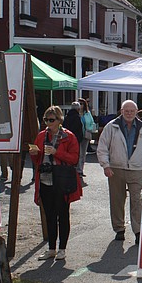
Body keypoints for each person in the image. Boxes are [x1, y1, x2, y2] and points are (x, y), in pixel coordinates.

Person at [97, 100, 142, 245]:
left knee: (137, 200)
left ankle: (138, 231)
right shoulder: (111, 127)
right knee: (117, 200)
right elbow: (102, 147)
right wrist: (106, 165)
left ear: (136, 112)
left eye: (132, 111)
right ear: (121, 111)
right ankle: (119, 229)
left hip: (136, 169)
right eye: (126, 111)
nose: (129, 113)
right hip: (116, 168)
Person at [29, 106, 82, 260]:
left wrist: (56, 152)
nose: (48, 123)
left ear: (59, 120)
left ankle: (62, 249)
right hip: (45, 180)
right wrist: (34, 154)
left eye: (51, 120)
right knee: (50, 217)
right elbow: (38, 159)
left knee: (63, 215)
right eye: (46, 120)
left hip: (62, 181)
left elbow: (74, 159)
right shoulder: (41, 136)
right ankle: (51, 248)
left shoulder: (68, 136)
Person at [63, 102, 84, 176]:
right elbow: (78, 129)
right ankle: (77, 170)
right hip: (76, 139)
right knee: (77, 155)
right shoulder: (77, 117)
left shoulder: (66, 116)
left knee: (68, 154)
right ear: (78, 109)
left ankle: (69, 169)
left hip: (66, 139)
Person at [78, 98, 97, 177]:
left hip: (85, 135)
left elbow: (92, 123)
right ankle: (77, 169)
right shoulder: (76, 113)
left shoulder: (87, 113)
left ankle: (80, 170)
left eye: (81, 104)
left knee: (83, 153)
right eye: (78, 104)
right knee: (78, 153)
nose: (80, 105)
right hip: (78, 135)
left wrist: (88, 128)